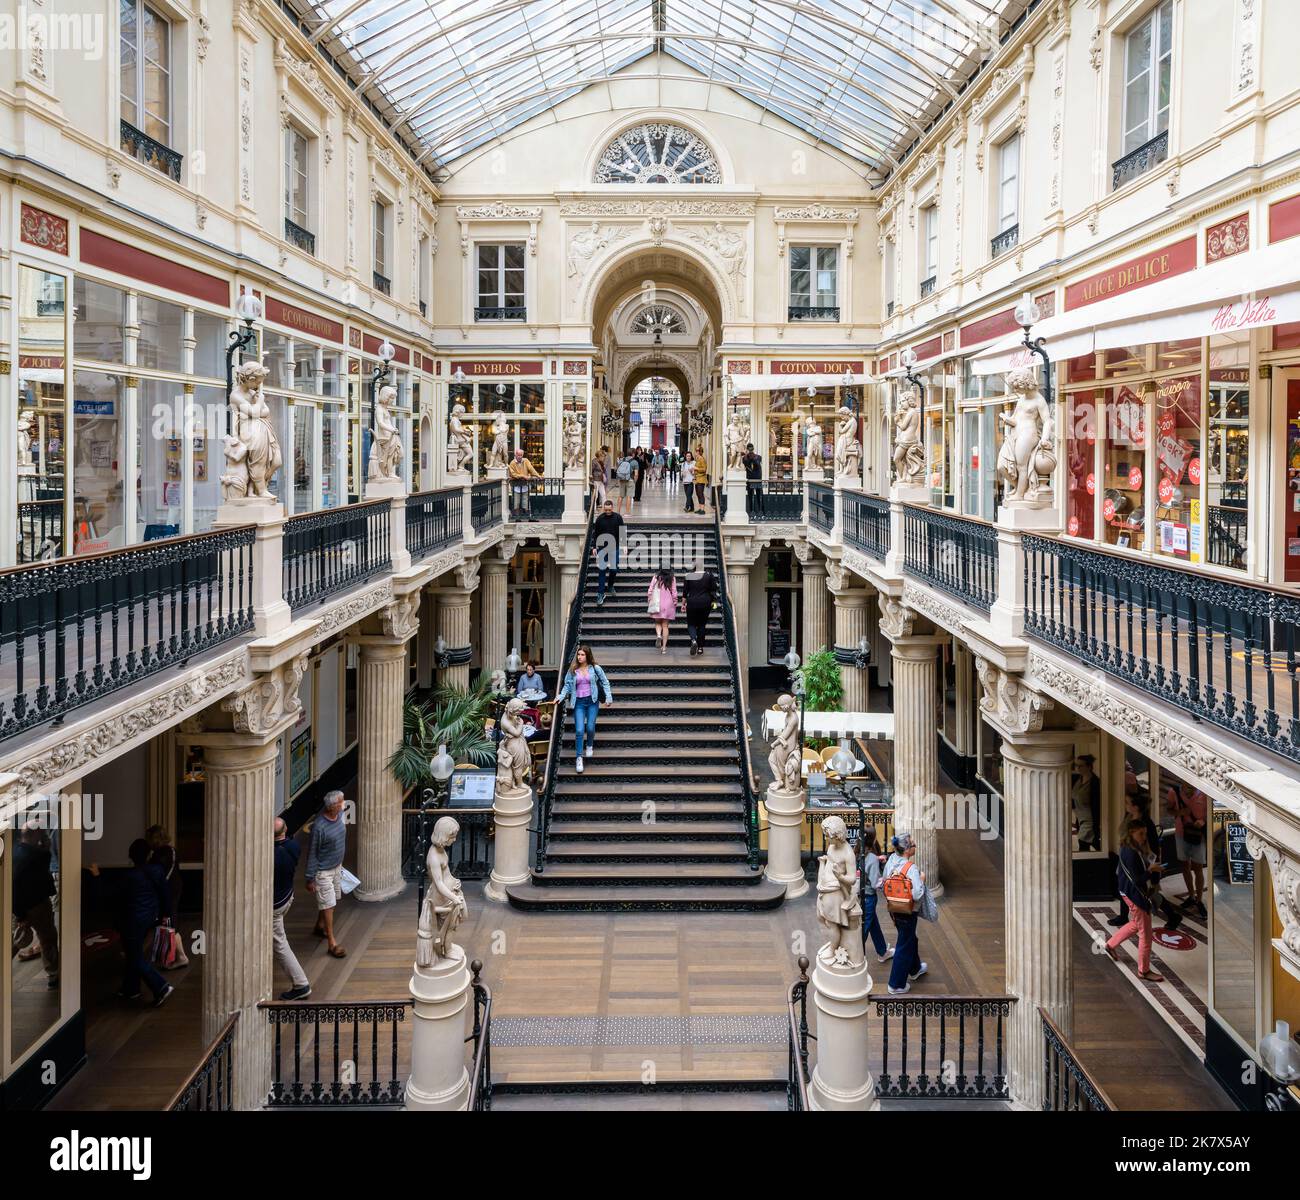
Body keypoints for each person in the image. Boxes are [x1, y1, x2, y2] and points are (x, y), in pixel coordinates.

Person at [94, 839, 174, 1006]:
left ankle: (161, 987)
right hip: (150, 917)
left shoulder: (129, 876)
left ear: (131, 856)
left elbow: (107, 894)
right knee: (134, 952)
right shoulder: (157, 871)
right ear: (149, 854)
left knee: (134, 956)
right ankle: (131, 989)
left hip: (132, 921)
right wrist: (166, 913)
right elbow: (165, 894)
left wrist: (97, 876)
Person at [1105, 818, 1165, 982]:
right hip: (1135, 895)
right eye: (1141, 834)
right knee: (1145, 935)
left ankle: (1110, 945)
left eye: (1145, 833)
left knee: (1136, 923)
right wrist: (1151, 870)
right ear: (1131, 833)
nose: (1144, 837)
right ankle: (1143, 971)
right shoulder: (1130, 853)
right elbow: (1138, 880)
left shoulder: (1131, 847)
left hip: (1128, 892)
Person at [11, 824, 59, 989]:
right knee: (48, 939)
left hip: (19, 905)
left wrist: (18, 914)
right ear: (34, 834)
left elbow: (14, 885)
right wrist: (46, 847)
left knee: (15, 941)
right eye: (41, 833)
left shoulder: (14, 851)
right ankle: (53, 975)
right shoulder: (39, 855)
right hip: (38, 905)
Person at [554, 645, 613, 773]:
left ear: (587, 656)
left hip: (592, 701)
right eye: (578, 655)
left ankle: (590, 744)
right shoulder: (573, 670)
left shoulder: (595, 668)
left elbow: (605, 682)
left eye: (582, 655)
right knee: (580, 730)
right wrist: (560, 696)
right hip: (579, 703)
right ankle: (579, 757)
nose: (580, 657)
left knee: (590, 727)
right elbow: (567, 686)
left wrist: (608, 697)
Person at [884, 833, 929, 994]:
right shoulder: (912, 869)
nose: (915, 844)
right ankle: (895, 984)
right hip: (908, 911)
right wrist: (922, 880)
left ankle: (915, 968)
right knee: (904, 944)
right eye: (912, 844)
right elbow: (917, 894)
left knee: (909, 938)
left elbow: (884, 881)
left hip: (894, 909)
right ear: (907, 850)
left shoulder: (890, 861)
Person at [306, 790, 348, 959]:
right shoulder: (319, 827)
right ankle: (332, 943)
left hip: (337, 866)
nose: (344, 803)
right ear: (333, 806)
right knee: (329, 904)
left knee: (330, 900)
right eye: (341, 801)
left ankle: (319, 926)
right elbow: (313, 853)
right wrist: (310, 878)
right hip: (323, 871)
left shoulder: (339, 816)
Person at [273, 817, 312, 999]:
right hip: (287, 897)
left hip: (275, 905)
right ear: (286, 829)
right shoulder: (294, 846)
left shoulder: (270, 856)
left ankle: (301, 984)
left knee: (280, 944)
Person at [145, 825, 189, 968]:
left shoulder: (160, 854)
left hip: (166, 890)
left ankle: (181, 957)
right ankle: (180, 956)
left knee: (167, 921)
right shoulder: (171, 850)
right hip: (174, 888)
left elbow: (156, 874)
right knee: (170, 921)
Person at [1166, 778, 1207, 918]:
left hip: (1198, 836)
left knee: (1198, 867)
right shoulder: (1174, 792)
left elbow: (1210, 813)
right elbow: (1169, 809)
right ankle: (1191, 895)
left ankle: (1199, 899)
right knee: (1185, 865)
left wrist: (1203, 821)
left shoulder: (1203, 794)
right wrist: (1179, 813)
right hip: (1181, 834)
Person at [860, 828, 893, 964]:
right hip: (869, 897)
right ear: (873, 839)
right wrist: (886, 879)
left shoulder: (857, 853)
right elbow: (875, 883)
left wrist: (876, 861)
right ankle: (855, 956)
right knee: (864, 929)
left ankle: (882, 951)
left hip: (860, 896)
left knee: (873, 924)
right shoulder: (872, 858)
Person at [681, 557, 718, 656]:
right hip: (705, 603)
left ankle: (693, 640)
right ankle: (700, 648)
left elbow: (685, 592)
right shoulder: (709, 575)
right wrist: (714, 601)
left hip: (692, 602)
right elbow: (714, 589)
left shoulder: (689, 576)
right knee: (702, 625)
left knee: (691, 624)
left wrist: (683, 604)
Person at [592, 498, 623, 605]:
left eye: (609, 510)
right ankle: (600, 594)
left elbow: (622, 532)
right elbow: (596, 534)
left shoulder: (618, 518)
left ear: (612, 508)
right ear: (604, 509)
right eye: (606, 510)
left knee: (614, 569)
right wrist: (594, 547)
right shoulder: (600, 519)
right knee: (602, 571)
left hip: (615, 547)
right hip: (602, 548)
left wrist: (624, 546)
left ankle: (610, 585)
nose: (607, 512)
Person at [1071, 754, 1102, 852]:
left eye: (1081, 766)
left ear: (1089, 767)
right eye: (1077, 765)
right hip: (1080, 819)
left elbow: (1096, 805)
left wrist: (1096, 826)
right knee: (1087, 845)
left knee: (1084, 846)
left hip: (1090, 821)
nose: (1078, 768)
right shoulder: (1077, 779)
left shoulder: (1094, 783)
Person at [648, 567, 677, 655]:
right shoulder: (672, 577)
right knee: (665, 625)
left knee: (657, 622)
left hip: (657, 602)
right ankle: (664, 648)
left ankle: (658, 635)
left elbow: (650, 589)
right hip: (668, 603)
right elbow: (674, 591)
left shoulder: (656, 577)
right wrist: (675, 602)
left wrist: (650, 599)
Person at [508, 447, 541, 519]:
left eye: (521, 455)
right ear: (515, 455)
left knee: (525, 501)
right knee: (516, 502)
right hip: (516, 486)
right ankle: (517, 517)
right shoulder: (512, 463)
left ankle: (528, 516)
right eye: (518, 455)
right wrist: (523, 476)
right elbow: (513, 474)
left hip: (525, 485)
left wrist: (538, 476)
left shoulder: (526, 461)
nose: (520, 457)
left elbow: (531, 469)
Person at [743, 443, 763, 517]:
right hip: (750, 480)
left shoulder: (758, 457)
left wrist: (753, 457)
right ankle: (751, 511)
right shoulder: (744, 458)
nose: (750, 450)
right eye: (749, 448)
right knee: (750, 496)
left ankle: (760, 512)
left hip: (757, 479)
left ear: (753, 448)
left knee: (759, 496)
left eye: (751, 448)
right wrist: (747, 457)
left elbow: (757, 464)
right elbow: (746, 464)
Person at [692, 443, 710, 513]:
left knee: (701, 494)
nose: (696, 452)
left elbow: (704, 469)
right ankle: (700, 508)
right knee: (698, 494)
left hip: (701, 479)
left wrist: (696, 468)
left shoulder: (702, 459)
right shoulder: (698, 459)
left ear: (700, 452)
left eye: (697, 451)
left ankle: (702, 509)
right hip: (697, 479)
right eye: (696, 451)